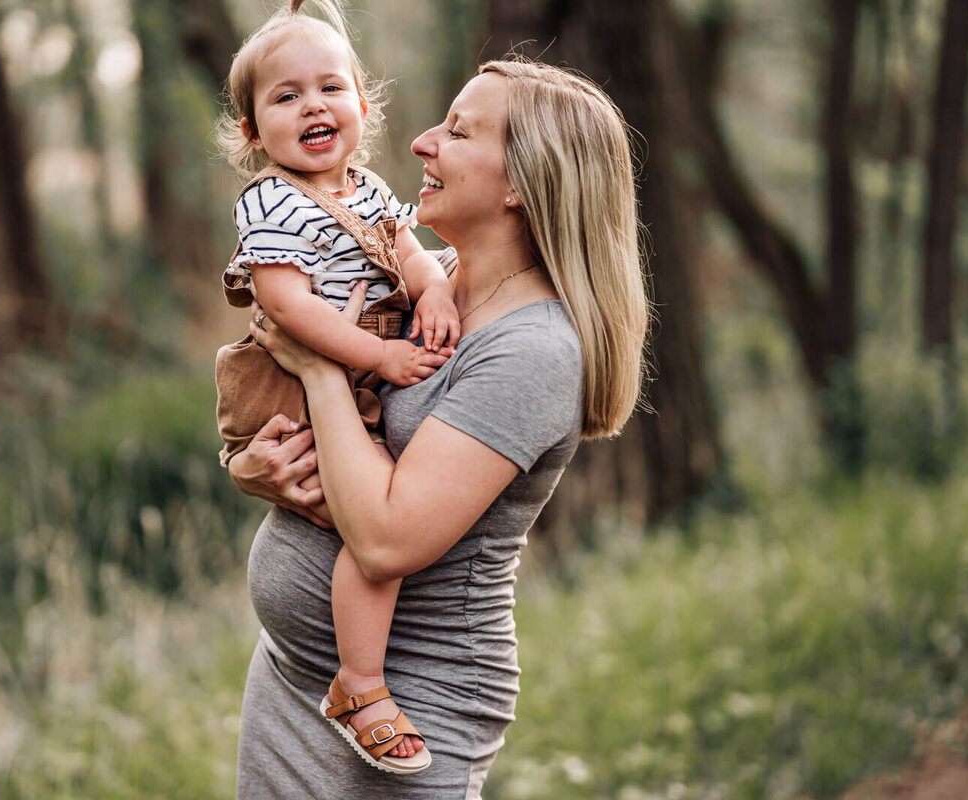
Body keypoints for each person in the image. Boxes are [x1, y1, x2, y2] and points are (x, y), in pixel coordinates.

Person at [229, 55, 650, 799]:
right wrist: (250, 468)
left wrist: (322, 369)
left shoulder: (536, 350)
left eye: (457, 132)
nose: (421, 142)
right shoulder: (428, 284)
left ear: (523, 182)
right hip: (290, 684)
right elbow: (300, 404)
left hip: (406, 710)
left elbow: (389, 537)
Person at [214, 0, 461, 775]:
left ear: (361, 104)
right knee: (367, 525)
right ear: (253, 133)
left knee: (372, 521)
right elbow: (285, 308)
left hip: (351, 366)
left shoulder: (370, 189)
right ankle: (359, 683)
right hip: (292, 377)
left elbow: (410, 252)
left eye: (330, 88)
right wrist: (377, 358)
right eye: (285, 97)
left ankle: (360, 678)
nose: (312, 105)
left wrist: (434, 290)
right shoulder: (270, 201)